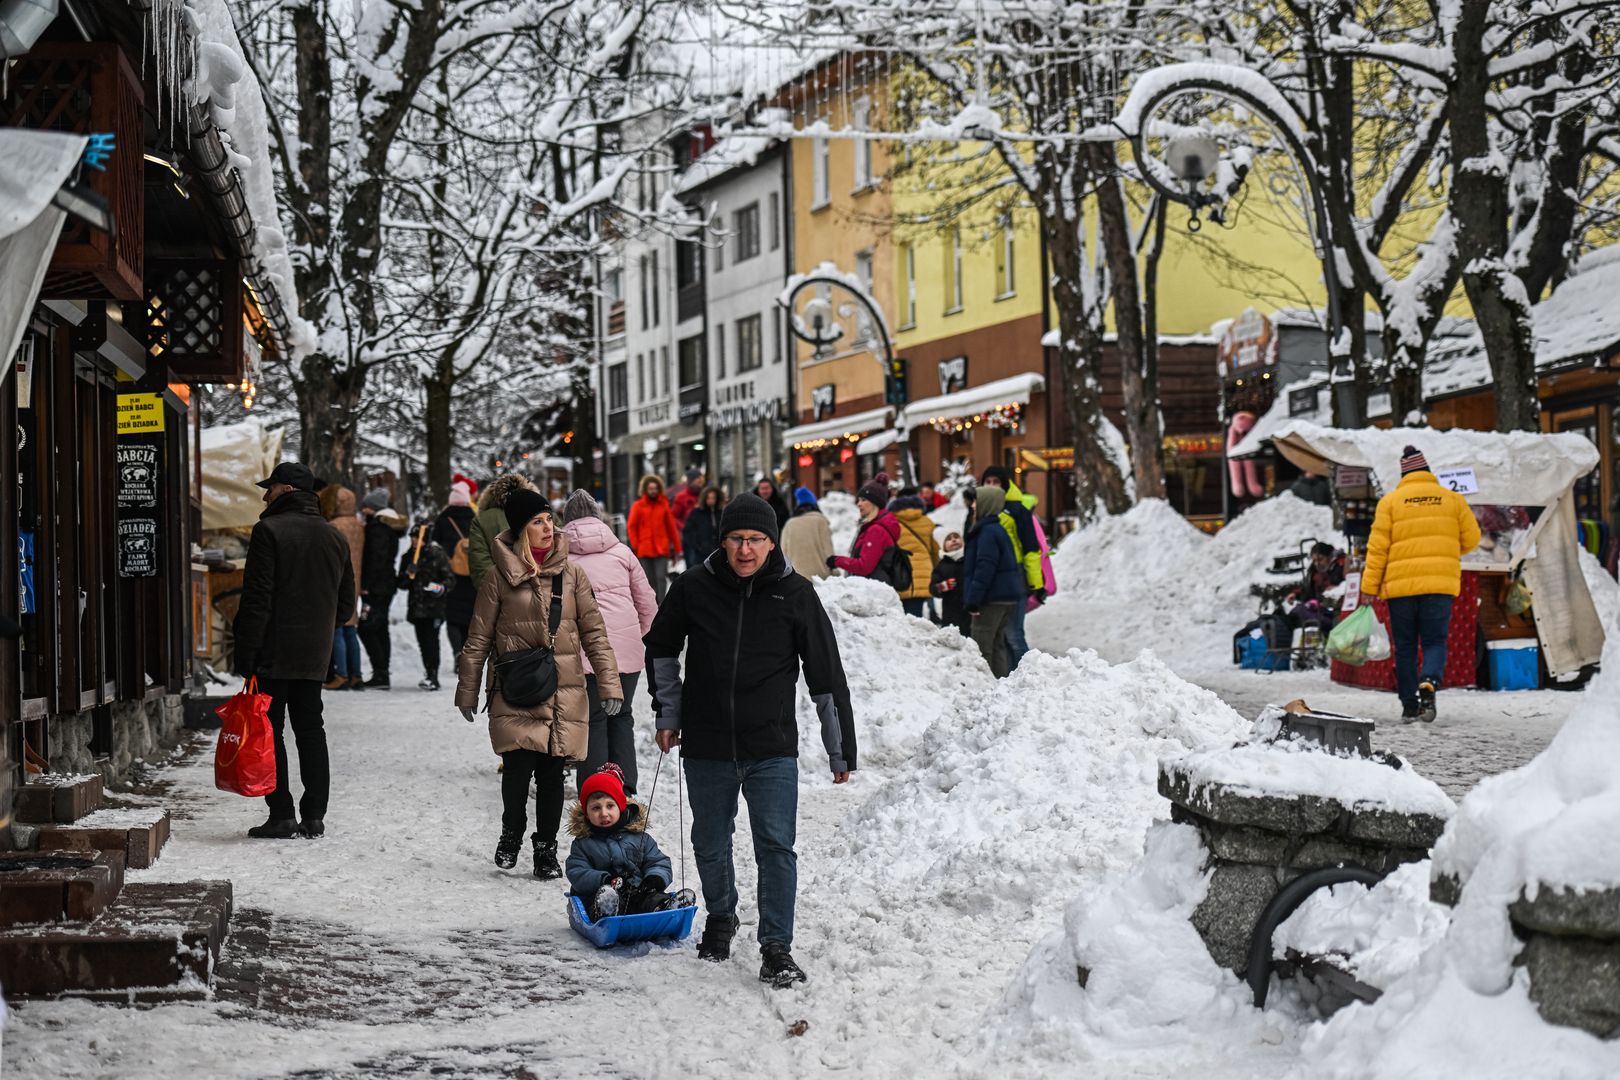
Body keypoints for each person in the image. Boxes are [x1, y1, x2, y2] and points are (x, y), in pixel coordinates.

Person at [643, 493, 856, 987]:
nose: (745, 550)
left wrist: (839, 748)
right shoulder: (694, 587)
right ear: (723, 541)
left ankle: (776, 947)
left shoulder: (796, 592)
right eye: (737, 539)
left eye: (756, 539)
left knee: (776, 847)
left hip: (771, 746)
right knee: (710, 841)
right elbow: (661, 647)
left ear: (771, 541)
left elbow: (825, 674)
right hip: (709, 743)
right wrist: (669, 711)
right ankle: (721, 917)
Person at [455, 490, 623, 878]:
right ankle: (510, 834)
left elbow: (595, 634)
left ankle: (546, 850)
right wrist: (468, 690)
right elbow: (478, 637)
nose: (547, 527)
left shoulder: (573, 573)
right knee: (516, 770)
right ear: (519, 530)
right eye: (537, 522)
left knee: (551, 775)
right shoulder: (500, 577)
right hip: (514, 689)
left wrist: (611, 686)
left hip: (562, 688)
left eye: (549, 519)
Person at [232, 461, 355, 839]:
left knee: (272, 729)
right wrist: (318, 630)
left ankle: (281, 813)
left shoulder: (268, 530)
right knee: (311, 728)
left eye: (269, 488)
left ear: (285, 490)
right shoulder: (334, 537)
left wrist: (246, 654)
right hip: (315, 653)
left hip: (273, 649)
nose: (265, 495)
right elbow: (347, 606)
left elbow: (257, 599)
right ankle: (314, 815)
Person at [1359, 446, 1481, 723]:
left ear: (1404, 474)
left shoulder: (1389, 503)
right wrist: (1447, 547)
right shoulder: (1452, 500)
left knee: (1405, 646)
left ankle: (1409, 705)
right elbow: (1472, 539)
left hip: (1400, 591)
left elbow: (1377, 550)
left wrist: (1368, 588)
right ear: (1428, 472)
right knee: (1435, 641)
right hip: (1439, 586)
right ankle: (1429, 682)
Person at [562, 489, 658, 794]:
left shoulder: (560, 557)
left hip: (585, 652)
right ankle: (625, 785)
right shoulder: (622, 552)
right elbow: (648, 603)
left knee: (592, 719)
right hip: (626, 654)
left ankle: (596, 789)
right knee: (622, 715)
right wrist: (635, 635)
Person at [566, 763, 695, 921]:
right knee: (603, 898)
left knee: (650, 897)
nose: (604, 813)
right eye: (595, 808)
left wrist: (654, 879)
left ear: (620, 807)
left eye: (610, 806)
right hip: (602, 894)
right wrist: (604, 880)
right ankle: (606, 912)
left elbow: (658, 861)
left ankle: (665, 909)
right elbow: (577, 872)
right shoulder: (583, 844)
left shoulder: (639, 837)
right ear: (586, 813)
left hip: (637, 891)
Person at [979, 466, 1043, 670]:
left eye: (995, 482)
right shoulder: (981, 509)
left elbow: (1031, 548)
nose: (991, 486)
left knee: (1013, 633)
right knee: (999, 635)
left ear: (1005, 484)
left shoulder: (1017, 510)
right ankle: (1009, 676)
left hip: (1014, 576)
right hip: (991, 577)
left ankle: (1029, 675)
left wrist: (1035, 582)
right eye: (987, 482)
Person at [962, 485, 1025, 678]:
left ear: (985, 504)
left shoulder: (987, 532)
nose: (973, 506)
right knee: (997, 645)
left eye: (977, 501)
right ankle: (1000, 684)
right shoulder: (997, 529)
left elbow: (984, 567)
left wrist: (974, 598)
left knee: (981, 647)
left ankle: (985, 687)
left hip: (991, 598)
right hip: (1005, 596)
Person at [397, 521, 454, 690]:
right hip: (416, 607)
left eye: (417, 538)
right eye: (412, 538)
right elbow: (401, 584)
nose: (414, 541)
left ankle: (433, 675)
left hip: (434, 607)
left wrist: (439, 588)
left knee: (432, 640)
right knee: (422, 642)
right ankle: (428, 672)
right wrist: (408, 574)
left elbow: (449, 579)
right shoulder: (408, 557)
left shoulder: (437, 555)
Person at [358, 489, 406, 689]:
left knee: (367, 627)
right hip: (386, 584)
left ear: (375, 508)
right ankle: (382, 672)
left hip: (377, 586)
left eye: (366, 506)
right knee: (380, 627)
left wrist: (366, 585)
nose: (363, 509)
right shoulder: (387, 527)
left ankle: (380, 673)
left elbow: (375, 559)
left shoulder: (378, 528)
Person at [320, 485, 365, 691]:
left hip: (338, 579)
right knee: (350, 629)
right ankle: (356, 674)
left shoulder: (333, 526)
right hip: (355, 580)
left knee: (337, 628)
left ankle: (341, 674)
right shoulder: (358, 525)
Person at [431, 479, 481, 657]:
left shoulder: (443, 520)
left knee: (452, 617)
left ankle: (457, 652)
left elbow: (434, 544)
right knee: (468, 616)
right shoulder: (476, 519)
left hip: (451, 574)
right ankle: (467, 653)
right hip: (472, 575)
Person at [830, 473, 900, 582]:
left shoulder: (876, 530)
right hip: (873, 587)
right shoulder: (872, 526)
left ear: (874, 503)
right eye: (858, 500)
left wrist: (837, 561)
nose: (859, 504)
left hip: (874, 591)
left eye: (863, 500)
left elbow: (864, 566)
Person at [627, 474, 681, 603]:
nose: (653, 491)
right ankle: (651, 604)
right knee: (649, 579)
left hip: (661, 548)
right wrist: (636, 545)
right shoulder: (638, 506)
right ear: (646, 489)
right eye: (651, 488)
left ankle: (662, 604)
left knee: (661, 577)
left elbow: (671, 528)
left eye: (655, 488)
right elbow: (631, 527)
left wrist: (677, 548)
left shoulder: (663, 505)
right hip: (644, 549)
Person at [889, 489, 940, 618]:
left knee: (900, 618)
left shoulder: (891, 523)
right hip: (923, 573)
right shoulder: (927, 522)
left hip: (900, 574)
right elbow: (935, 551)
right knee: (916, 619)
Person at [781, 487, 835, 580]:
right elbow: (828, 551)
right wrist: (835, 571)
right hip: (821, 578)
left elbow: (783, 553)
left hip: (797, 578)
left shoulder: (790, 524)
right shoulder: (821, 521)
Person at [930, 532, 969, 636]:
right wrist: (942, 586)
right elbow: (932, 588)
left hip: (969, 611)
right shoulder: (941, 565)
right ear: (944, 546)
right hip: (950, 613)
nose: (953, 540)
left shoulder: (969, 559)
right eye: (949, 539)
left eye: (956, 537)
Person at [681, 486, 725, 571]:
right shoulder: (696, 513)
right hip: (700, 553)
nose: (711, 500)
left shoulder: (721, 513)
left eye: (713, 498)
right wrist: (697, 545)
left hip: (718, 552)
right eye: (708, 498)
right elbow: (687, 531)